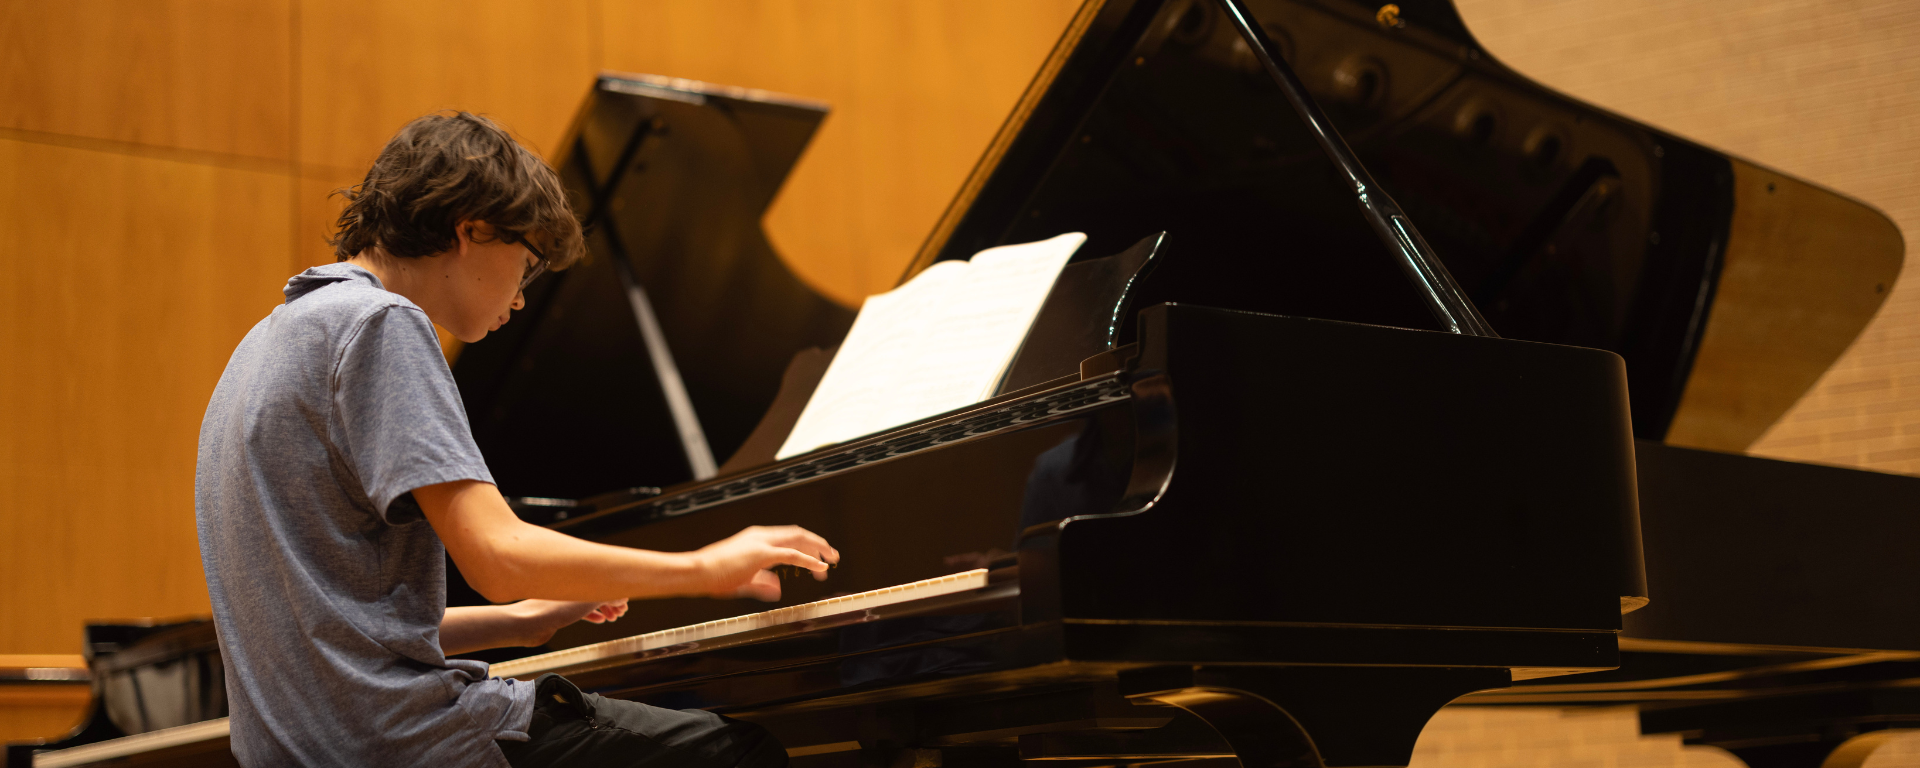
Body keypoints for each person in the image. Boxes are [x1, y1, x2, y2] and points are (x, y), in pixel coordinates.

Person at [194, 111, 838, 768]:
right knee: (739, 754)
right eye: (526, 266)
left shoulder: (266, 345)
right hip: (408, 744)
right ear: (471, 230)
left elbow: (331, 631)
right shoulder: (381, 324)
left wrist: (521, 622)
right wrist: (704, 568)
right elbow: (497, 558)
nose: (523, 299)